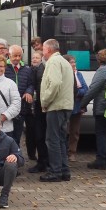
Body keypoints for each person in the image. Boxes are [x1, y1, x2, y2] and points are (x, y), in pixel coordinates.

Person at [38, 39, 74, 183]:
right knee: (61, 140)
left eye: (43, 49)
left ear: (48, 49)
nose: (42, 52)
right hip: (65, 105)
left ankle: (55, 171)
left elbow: (55, 83)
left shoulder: (53, 62)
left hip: (56, 106)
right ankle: (64, 170)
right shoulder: (64, 61)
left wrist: (45, 100)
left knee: (52, 140)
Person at [80, 49, 106, 170]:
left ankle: (101, 160)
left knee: (101, 134)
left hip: (103, 106)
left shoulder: (102, 70)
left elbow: (93, 89)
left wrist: (82, 104)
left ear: (100, 60)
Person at [4, 46, 35, 144]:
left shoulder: (27, 69)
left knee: (17, 136)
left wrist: (29, 92)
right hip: (6, 107)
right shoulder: (4, 67)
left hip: (21, 108)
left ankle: (16, 152)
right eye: (15, 56)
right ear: (9, 55)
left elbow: (31, 84)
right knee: (6, 136)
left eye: (19, 56)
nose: (17, 58)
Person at [65, 55, 89, 162]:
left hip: (77, 107)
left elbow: (85, 89)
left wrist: (77, 92)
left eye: (74, 62)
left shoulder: (79, 74)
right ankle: (63, 151)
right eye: (71, 62)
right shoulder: (64, 74)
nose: (74, 64)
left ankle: (72, 152)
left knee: (74, 131)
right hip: (66, 106)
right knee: (63, 130)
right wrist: (77, 91)